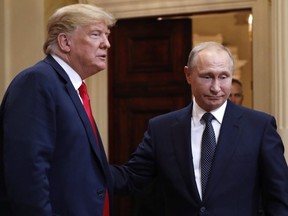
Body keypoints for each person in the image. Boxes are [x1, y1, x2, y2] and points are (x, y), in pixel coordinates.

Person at [111, 42, 288, 215]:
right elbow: (131, 177)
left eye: (224, 77)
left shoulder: (259, 127)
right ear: (188, 75)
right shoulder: (161, 129)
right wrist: (88, 165)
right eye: (207, 77)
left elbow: (279, 197)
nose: (216, 88)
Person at [0, 4, 115, 216]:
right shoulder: (37, 82)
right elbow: (27, 173)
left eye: (106, 35)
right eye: (96, 34)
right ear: (65, 42)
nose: (106, 44)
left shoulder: (73, 88)